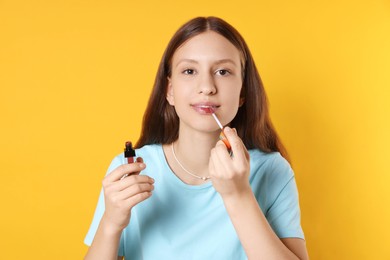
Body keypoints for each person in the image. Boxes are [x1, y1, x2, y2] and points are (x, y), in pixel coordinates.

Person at [84, 16, 309, 260]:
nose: (207, 87)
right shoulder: (129, 171)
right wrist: (110, 224)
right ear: (169, 91)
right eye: (189, 71)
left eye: (223, 71)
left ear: (243, 92)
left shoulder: (273, 171)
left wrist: (238, 195)